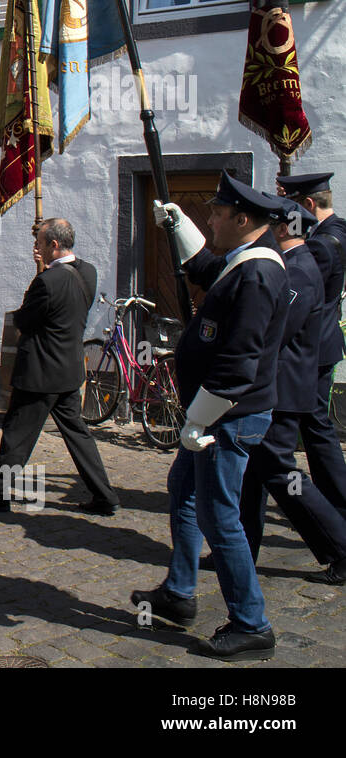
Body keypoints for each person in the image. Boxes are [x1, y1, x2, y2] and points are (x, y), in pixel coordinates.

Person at [132, 173, 288, 661]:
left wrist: (199, 420)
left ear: (242, 219)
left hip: (227, 417)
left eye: (217, 214)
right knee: (183, 492)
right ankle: (180, 592)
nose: (211, 218)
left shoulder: (259, 273)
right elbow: (203, 268)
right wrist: (177, 226)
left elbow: (239, 362)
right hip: (214, 414)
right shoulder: (243, 262)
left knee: (220, 518)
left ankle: (251, 622)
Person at [0, 218, 119, 516]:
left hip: (39, 373)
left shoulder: (47, 281)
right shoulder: (88, 271)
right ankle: (105, 495)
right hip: (69, 369)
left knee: (16, 438)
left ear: (53, 245)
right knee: (78, 436)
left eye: (39, 244)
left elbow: (24, 320)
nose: (35, 249)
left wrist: (42, 276)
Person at [239, 198, 346, 583]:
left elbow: (277, 333)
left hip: (283, 391)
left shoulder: (299, 271)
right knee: (253, 474)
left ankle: (341, 545)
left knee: (282, 474)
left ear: (284, 229)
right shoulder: (296, 265)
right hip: (278, 387)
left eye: (271, 225)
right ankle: (239, 552)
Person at [275, 171, 346, 529]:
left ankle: (337, 507)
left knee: (316, 432)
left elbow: (300, 298)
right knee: (316, 429)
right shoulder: (336, 231)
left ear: (306, 205)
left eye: (288, 205)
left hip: (311, 349)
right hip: (323, 344)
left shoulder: (320, 244)